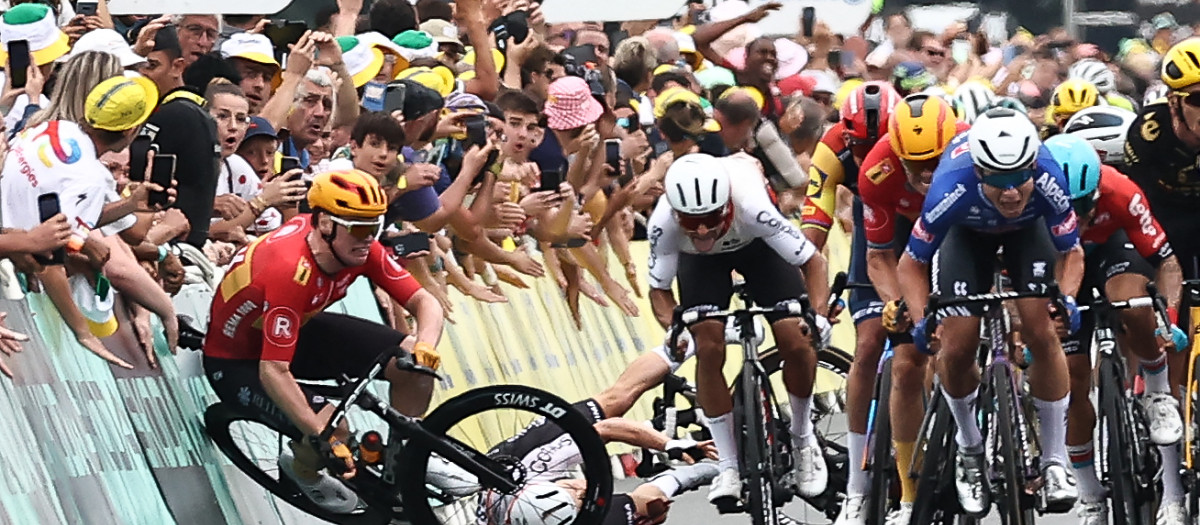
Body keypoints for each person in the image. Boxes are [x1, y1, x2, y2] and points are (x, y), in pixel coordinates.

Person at [202, 170, 444, 514]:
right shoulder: (290, 269)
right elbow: (273, 370)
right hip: (238, 361)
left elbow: (426, 303)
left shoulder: (358, 246)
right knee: (335, 430)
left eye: (374, 227)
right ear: (326, 224)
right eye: (360, 229)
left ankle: (404, 458)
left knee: (412, 362)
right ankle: (300, 470)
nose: (368, 239)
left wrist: (426, 347)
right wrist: (321, 434)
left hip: (295, 332)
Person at [895, 108, 1084, 517]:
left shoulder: (1050, 179)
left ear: (1033, 165)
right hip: (966, 237)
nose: (1012, 191)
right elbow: (911, 263)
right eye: (999, 179)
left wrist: (1066, 298)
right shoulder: (951, 186)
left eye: (1019, 176)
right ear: (980, 172)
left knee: (1041, 329)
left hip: (1027, 236)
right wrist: (922, 315)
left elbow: (1071, 252)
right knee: (957, 346)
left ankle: (1054, 459)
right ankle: (969, 447)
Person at [646, 153, 831, 505]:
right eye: (691, 221)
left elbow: (812, 260)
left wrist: (817, 317)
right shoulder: (663, 223)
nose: (702, 230)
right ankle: (728, 465)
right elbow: (659, 292)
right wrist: (679, 330)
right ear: (675, 212)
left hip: (758, 248)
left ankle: (803, 437)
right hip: (702, 264)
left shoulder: (751, 205)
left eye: (710, 219)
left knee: (795, 337)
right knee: (708, 345)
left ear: (726, 204)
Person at [1043, 134, 1187, 524]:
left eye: (1085, 207)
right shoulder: (1028, 205)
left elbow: (1167, 262)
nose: (1079, 218)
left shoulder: (1120, 190)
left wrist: (1167, 322)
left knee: (1133, 303)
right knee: (1071, 380)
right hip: (1057, 261)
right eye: (1067, 209)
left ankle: (1156, 395)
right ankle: (1090, 496)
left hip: (1112, 252)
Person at [851, 93, 969, 525]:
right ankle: (907, 491)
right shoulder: (876, 173)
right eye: (914, 164)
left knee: (958, 342)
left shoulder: (970, 154)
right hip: (905, 236)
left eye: (934, 160)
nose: (925, 172)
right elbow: (879, 256)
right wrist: (895, 304)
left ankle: (976, 440)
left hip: (961, 227)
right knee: (905, 361)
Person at [2, 75, 165, 370]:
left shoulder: (55, 126)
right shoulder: (89, 178)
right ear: (131, 130)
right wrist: (82, 331)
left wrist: (128, 205)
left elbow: (66, 223)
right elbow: (50, 256)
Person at [802, 81, 900, 524]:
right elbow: (813, 234)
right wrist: (814, 303)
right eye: (860, 145)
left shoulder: (929, 134)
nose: (867, 156)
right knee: (868, 346)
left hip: (923, 223)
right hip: (875, 233)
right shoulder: (832, 147)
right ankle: (859, 488)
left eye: (878, 145)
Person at [1123, 37, 1200, 402]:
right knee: (1174, 314)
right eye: (1198, 100)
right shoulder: (1147, 133)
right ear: (1174, 103)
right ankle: (1167, 396)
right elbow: (1137, 206)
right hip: (1164, 214)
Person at [129, 23, 221, 247]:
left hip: (171, 245)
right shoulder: (197, 111)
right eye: (137, 66)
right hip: (185, 242)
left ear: (177, 67)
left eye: (151, 65)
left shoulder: (173, 114)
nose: (142, 74)